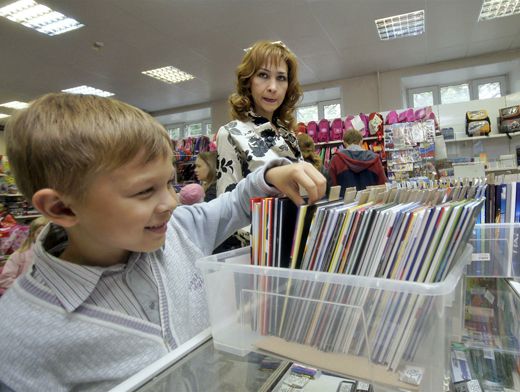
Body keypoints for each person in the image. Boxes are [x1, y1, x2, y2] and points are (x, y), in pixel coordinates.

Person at [0, 92, 326, 391]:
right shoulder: (19, 333)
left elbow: (234, 204)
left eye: (169, 184)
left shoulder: (178, 229)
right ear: (62, 207)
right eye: (144, 191)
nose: (171, 202)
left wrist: (270, 176)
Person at [216, 40, 303, 195]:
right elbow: (226, 206)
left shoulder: (288, 134)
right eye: (263, 75)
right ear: (248, 80)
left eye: (281, 78)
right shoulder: (230, 134)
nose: (273, 87)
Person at [328, 129, 387, 195]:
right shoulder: (375, 159)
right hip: (370, 202)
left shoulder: (336, 159)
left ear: (344, 143)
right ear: (361, 141)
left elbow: (332, 188)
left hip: (345, 203)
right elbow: (382, 185)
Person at [0, 216, 48, 292]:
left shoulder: (57, 255)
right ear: (32, 235)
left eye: (47, 232)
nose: (44, 235)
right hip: (24, 293)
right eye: (39, 232)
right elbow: (4, 280)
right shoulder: (19, 254)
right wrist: (27, 288)